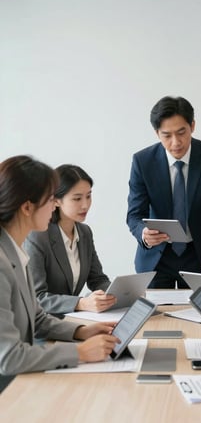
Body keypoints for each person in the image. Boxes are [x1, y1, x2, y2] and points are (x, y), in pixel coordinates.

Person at [0, 155, 119, 393]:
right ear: (27, 207)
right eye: (50, 200)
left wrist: (81, 332)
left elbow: (38, 318)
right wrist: (80, 352)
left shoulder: (14, 252)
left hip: (26, 374)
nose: (54, 206)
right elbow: (9, 357)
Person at [126, 96, 201, 288]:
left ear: (193, 126)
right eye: (167, 135)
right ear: (157, 133)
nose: (176, 142)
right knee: (153, 317)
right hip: (155, 257)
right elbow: (134, 214)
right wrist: (144, 233)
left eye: (182, 132)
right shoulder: (142, 161)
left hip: (197, 255)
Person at [24, 165, 116, 315]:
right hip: (42, 327)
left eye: (88, 196)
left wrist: (117, 293)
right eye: (77, 198)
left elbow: (97, 279)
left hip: (72, 321)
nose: (85, 205)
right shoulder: (38, 236)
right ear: (56, 200)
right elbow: (37, 298)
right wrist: (81, 303)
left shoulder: (84, 232)